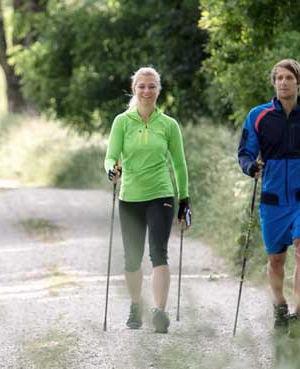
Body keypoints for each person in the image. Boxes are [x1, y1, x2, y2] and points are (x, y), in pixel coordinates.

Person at [237, 59, 300, 332]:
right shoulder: (258, 116)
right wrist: (250, 167)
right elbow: (245, 152)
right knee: (276, 260)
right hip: (272, 199)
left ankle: (298, 314)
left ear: (299, 82)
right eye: (279, 78)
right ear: (274, 83)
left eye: (288, 78)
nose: (283, 82)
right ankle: (279, 305)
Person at [104, 66, 191, 334]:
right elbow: (110, 155)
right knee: (132, 259)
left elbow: (179, 164)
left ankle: (160, 312)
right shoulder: (122, 121)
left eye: (152, 86)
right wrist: (111, 168)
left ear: (158, 90)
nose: (147, 91)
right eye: (142, 86)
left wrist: (184, 199)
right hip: (130, 196)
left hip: (161, 195)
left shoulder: (168, 125)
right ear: (134, 89)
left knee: (159, 252)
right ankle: (135, 304)